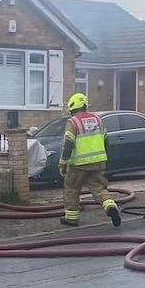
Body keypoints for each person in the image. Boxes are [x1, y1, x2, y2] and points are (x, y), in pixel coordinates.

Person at [59, 93, 121, 227]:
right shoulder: (97, 119)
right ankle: (111, 206)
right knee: (99, 188)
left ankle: (71, 218)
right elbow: (106, 140)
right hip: (98, 163)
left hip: (78, 165)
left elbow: (69, 142)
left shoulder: (73, 121)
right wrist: (105, 157)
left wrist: (63, 161)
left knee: (72, 189)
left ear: (72, 106)